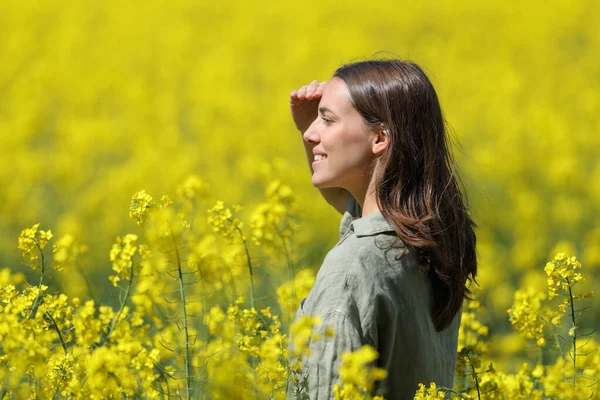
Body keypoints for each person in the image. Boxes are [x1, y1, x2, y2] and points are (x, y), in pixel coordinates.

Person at [286, 58, 478, 400]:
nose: (313, 131)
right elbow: (351, 203)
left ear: (379, 138)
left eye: (327, 120)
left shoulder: (351, 270)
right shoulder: (430, 242)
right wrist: (311, 133)